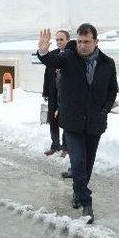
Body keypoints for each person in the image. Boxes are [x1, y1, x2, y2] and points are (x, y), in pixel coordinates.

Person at [37, 24, 118, 224]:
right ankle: (86, 202)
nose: (82, 46)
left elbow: (112, 90)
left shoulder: (108, 63)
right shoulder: (68, 58)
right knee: (78, 161)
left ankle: (77, 190)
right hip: (72, 122)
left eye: (86, 42)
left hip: (95, 122)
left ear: (96, 42)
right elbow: (49, 60)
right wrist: (43, 50)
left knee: (88, 163)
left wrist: (105, 109)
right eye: (80, 41)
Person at [42, 29, 70, 158]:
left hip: (66, 95)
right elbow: (47, 75)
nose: (59, 42)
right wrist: (46, 92)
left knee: (65, 121)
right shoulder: (52, 55)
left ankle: (66, 147)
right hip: (54, 94)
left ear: (67, 40)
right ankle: (55, 145)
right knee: (53, 120)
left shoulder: (72, 55)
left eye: (61, 39)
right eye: (57, 39)